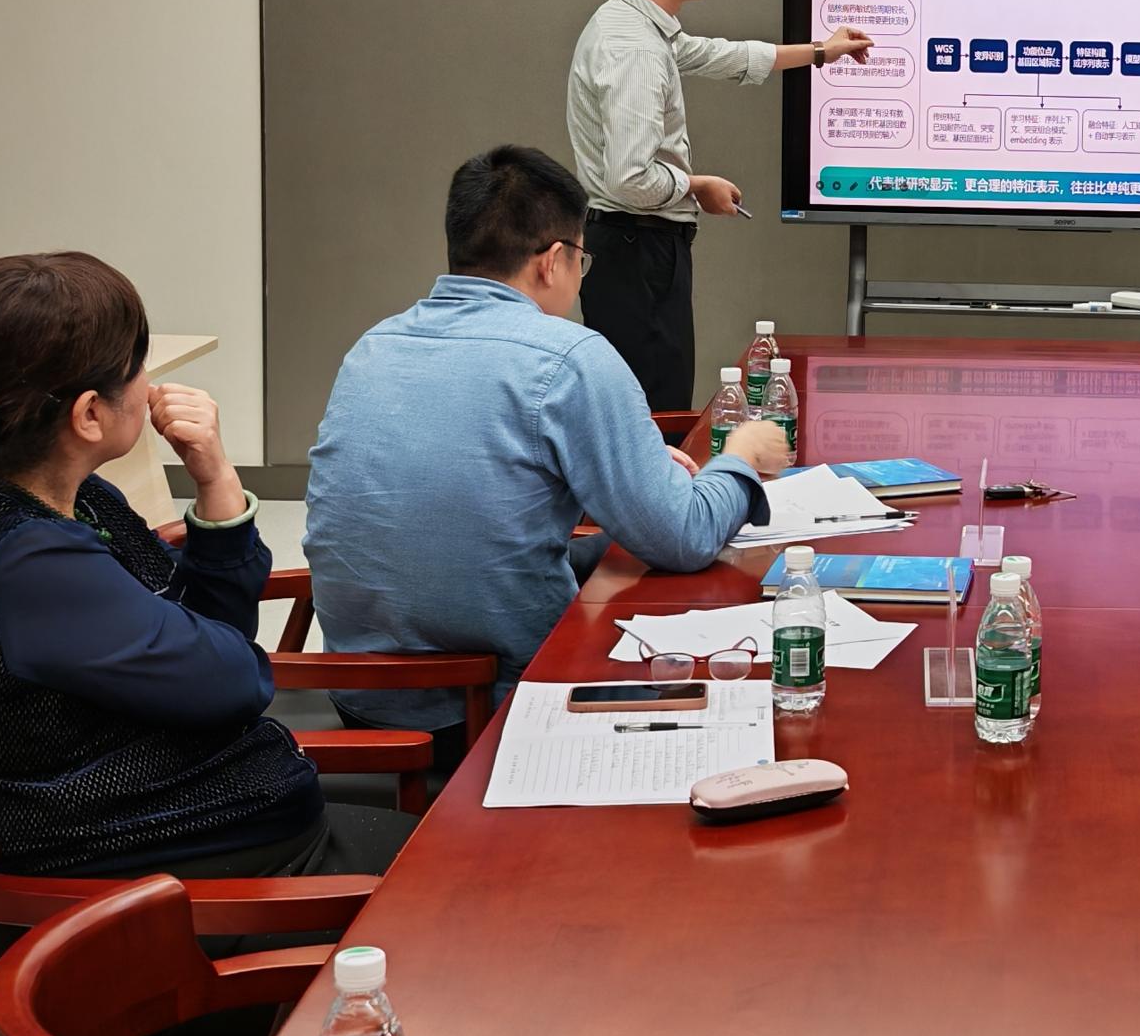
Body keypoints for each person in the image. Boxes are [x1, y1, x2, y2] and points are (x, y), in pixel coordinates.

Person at [0, 252, 410, 951]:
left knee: (467, 864)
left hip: (184, 844)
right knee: (485, 893)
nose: (149, 385)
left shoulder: (60, 499)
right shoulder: (32, 561)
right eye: (137, 367)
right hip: (149, 898)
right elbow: (237, 679)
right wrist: (219, 643)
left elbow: (209, 634)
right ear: (89, 413)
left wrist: (217, 481)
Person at [305, 145, 789, 747]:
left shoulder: (374, 346)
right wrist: (741, 455)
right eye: (582, 259)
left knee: (612, 553)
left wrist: (610, 467)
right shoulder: (569, 357)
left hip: (360, 699)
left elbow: (463, 493)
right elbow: (684, 536)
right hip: (494, 708)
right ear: (553, 261)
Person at [566, 0, 873, 409]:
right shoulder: (635, 50)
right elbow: (629, 178)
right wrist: (696, 186)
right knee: (653, 410)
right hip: (637, 250)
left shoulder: (633, 22)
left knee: (648, 404)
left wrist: (822, 51)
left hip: (633, 247)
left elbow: (714, 55)